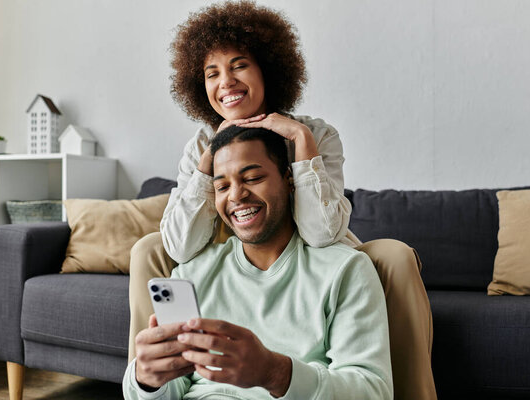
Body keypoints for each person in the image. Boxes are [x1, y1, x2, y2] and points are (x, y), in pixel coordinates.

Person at [128, 2, 437, 399]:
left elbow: (321, 233)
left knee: (393, 256)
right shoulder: (201, 148)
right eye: (212, 73)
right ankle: (156, 364)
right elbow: (180, 245)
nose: (226, 82)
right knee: (147, 251)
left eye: (238, 66)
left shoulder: (315, 134)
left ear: (266, 70)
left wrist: (301, 144)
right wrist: (214, 158)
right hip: (225, 242)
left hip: (308, 243)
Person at [123, 126, 393, 400]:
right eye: (222, 186)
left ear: (290, 179)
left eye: (252, 178)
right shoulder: (192, 273)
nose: (236, 196)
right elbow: (173, 387)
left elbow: (372, 391)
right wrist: (146, 381)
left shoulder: (345, 270)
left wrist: (274, 372)